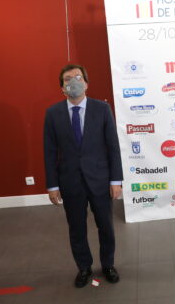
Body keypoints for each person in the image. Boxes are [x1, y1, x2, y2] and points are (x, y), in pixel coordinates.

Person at [44, 64, 123, 287]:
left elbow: (113, 147)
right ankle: (84, 267)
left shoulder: (102, 109)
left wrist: (115, 180)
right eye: (68, 79)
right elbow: (49, 151)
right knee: (76, 228)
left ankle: (108, 265)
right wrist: (52, 185)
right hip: (70, 181)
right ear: (62, 88)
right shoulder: (53, 114)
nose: (73, 82)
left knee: (105, 226)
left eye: (78, 77)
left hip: (100, 180)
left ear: (86, 84)